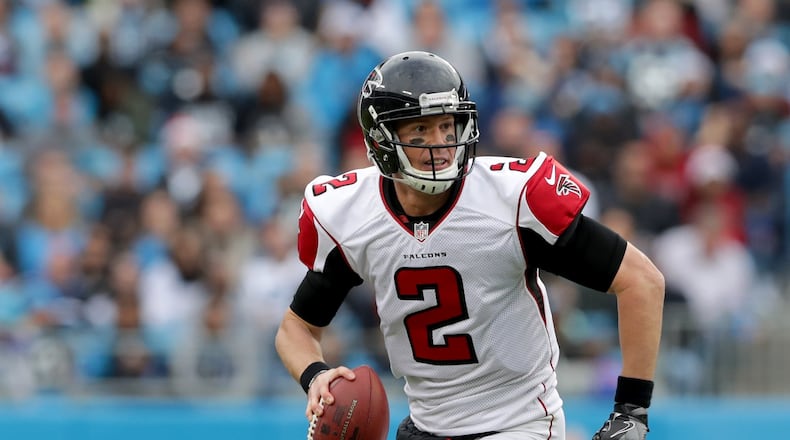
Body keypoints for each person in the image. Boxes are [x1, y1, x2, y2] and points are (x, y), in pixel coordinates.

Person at [275, 51, 664, 440]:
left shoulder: (512, 200)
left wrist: (631, 411)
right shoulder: (350, 214)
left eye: (447, 127)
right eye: (420, 133)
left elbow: (641, 280)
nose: (441, 145)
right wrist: (315, 375)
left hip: (517, 426)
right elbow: (297, 328)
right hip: (425, 427)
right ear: (381, 141)